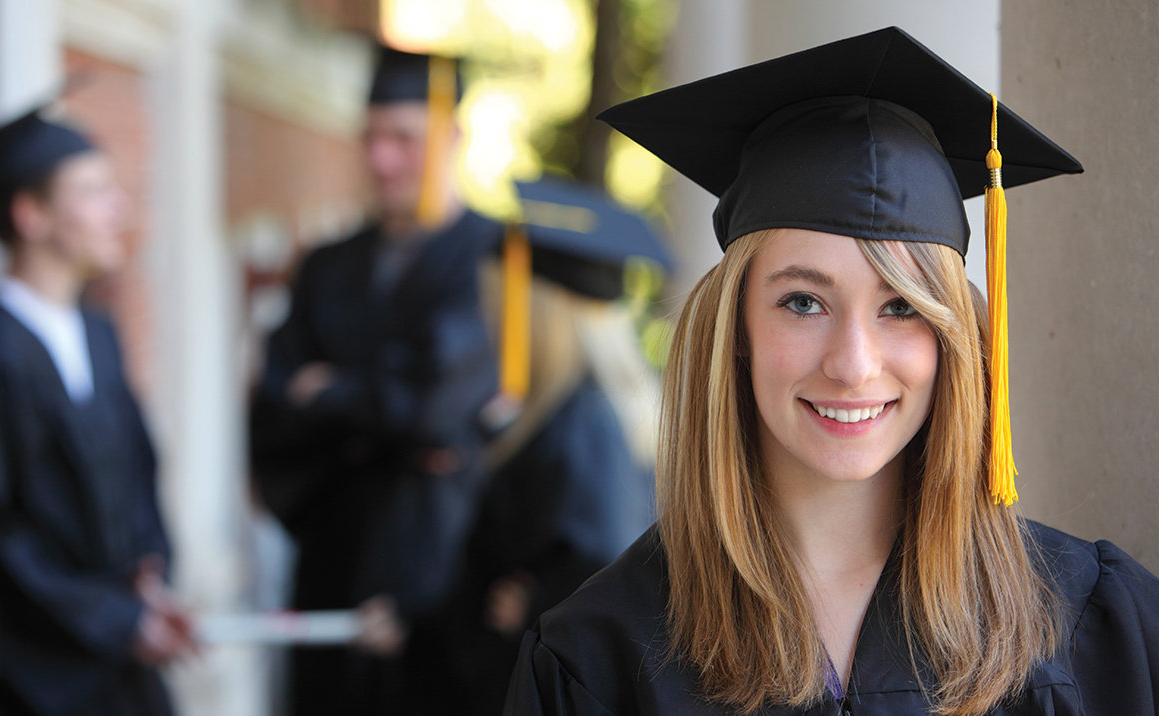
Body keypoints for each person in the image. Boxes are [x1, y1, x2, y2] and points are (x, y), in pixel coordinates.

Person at [504, 27, 1159, 715]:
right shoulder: (597, 660)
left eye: (902, 306)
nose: (852, 363)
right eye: (803, 301)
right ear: (737, 331)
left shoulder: (1095, 627)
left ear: (953, 337)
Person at [248, 46, 503, 714]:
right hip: (331, 553)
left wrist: (330, 393)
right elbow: (272, 408)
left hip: (444, 564)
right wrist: (391, 405)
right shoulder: (329, 264)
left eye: (404, 139)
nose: (381, 159)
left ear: (452, 138)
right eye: (370, 138)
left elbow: (437, 408)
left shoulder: (495, 260)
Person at [0, 106, 195, 715]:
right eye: (92, 192)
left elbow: (137, 469)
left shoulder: (97, 331)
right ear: (30, 214)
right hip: (41, 679)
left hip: (124, 665)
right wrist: (115, 620)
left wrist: (149, 574)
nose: (117, 208)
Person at [417, 177, 668, 714]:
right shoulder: (592, 412)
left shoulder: (582, 421)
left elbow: (605, 563)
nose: (489, 321)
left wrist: (536, 603)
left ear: (538, 313)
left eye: (500, 305)